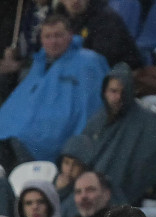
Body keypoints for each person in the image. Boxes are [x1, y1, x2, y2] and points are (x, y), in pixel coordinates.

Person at [0, 14, 108, 163]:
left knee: (18, 142)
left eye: (58, 36)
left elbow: (91, 107)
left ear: (70, 35)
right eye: (48, 36)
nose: (53, 42)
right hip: (26, 130)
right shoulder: (39, 63)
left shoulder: (88, 62)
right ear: (41, 39)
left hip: (55, 136)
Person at [82, 63, 156, 207]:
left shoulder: (150, 122)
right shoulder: (96, 121)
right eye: (113, 91)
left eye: (122, 92)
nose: (117, 97)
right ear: (104, 92)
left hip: (130, 200)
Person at [56, 0, 143, 69]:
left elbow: (102, 58)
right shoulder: (60, 18)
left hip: (119, 71)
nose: (75, 0)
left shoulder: (105, 18)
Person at [55, 134, 96, 217]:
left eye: (76, 164)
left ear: (84, 167)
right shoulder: (55, 182)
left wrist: (60, 192)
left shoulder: (84, 195)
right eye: (66, 162)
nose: (69, 169)